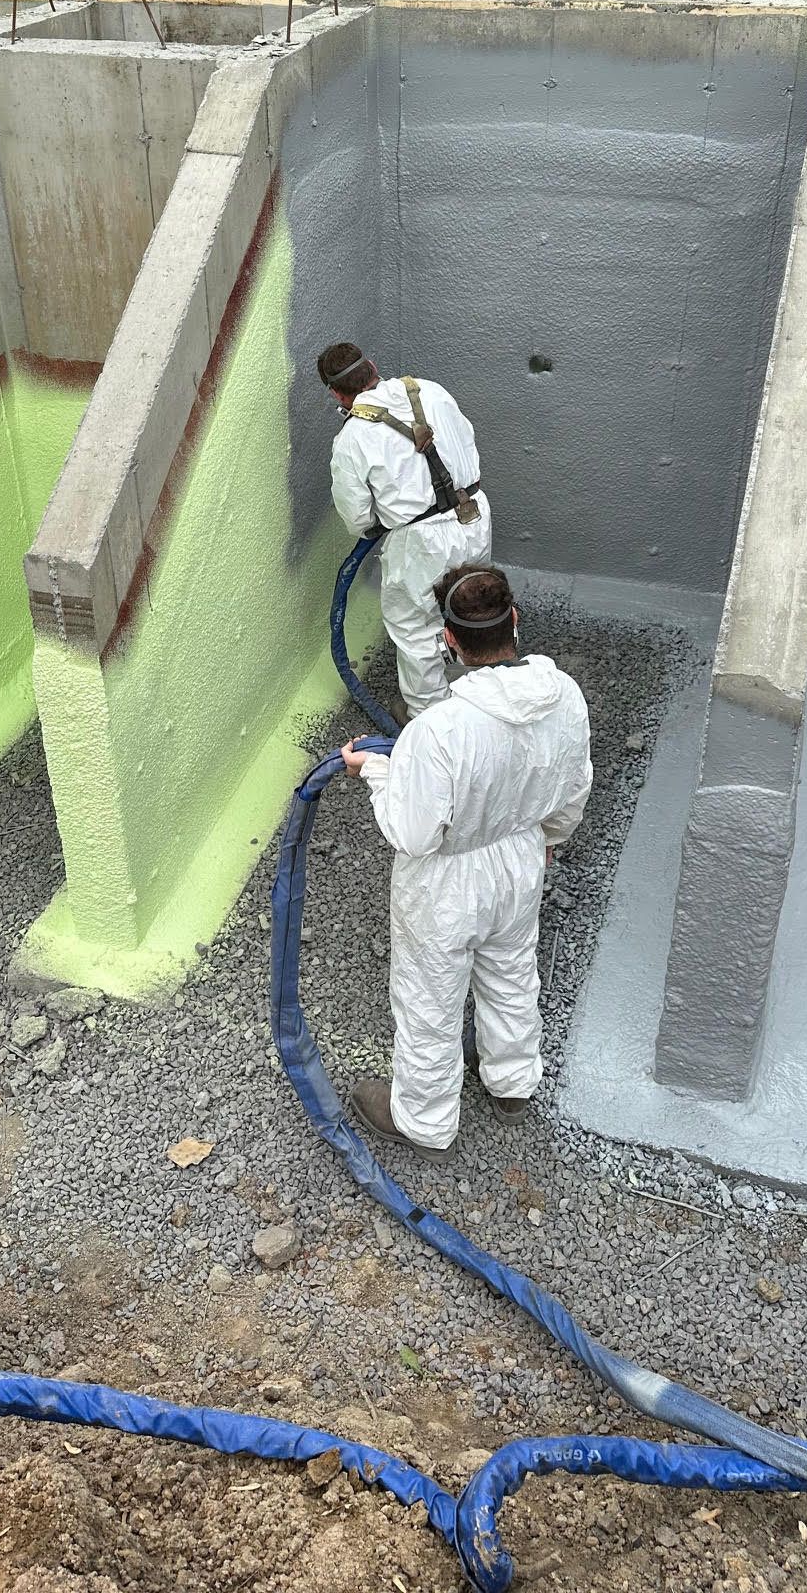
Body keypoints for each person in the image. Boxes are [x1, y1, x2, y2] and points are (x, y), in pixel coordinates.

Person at [340, 565, 593, 1160]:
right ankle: (512, 1082)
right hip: (522, 857)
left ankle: (425, 1121)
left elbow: (413, 831)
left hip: (447, 884)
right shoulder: (566, 699)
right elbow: (574, 785)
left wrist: (376, 771)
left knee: (430, 997)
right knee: (510, 973)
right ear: (515, 623)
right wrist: (550, 838)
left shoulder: (440, 730)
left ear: (449, 640)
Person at [318, 342, 492, 719]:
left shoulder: (352, 438)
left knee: (416, 627)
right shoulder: (429, 389)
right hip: (473, 515)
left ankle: (427, 715)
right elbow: (467, 439)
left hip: (422, 542)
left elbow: (357, 518)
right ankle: (481, 696)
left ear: (336, 393)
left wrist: (384, 515)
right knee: (473, 607)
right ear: (373, 367)